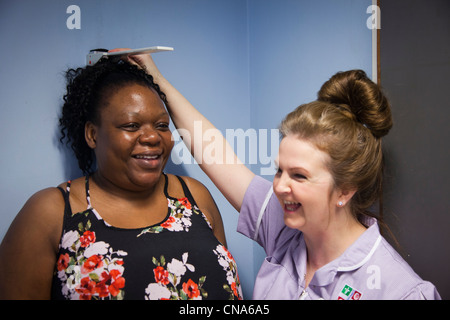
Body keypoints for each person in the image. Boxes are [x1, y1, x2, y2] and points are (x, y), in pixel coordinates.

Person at [129, 53, 441, 300]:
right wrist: (157, 79)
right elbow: (215, 153)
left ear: (345, 190)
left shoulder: (399, 290)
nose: (279, 186)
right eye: (279, 170)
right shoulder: (285, 228)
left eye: (299, 176)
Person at [0, 57, 242, 300]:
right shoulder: (51, 211)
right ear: (93, 134)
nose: (152, 137)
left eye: (161, 125)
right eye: (131, 125)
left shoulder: (194, 195)